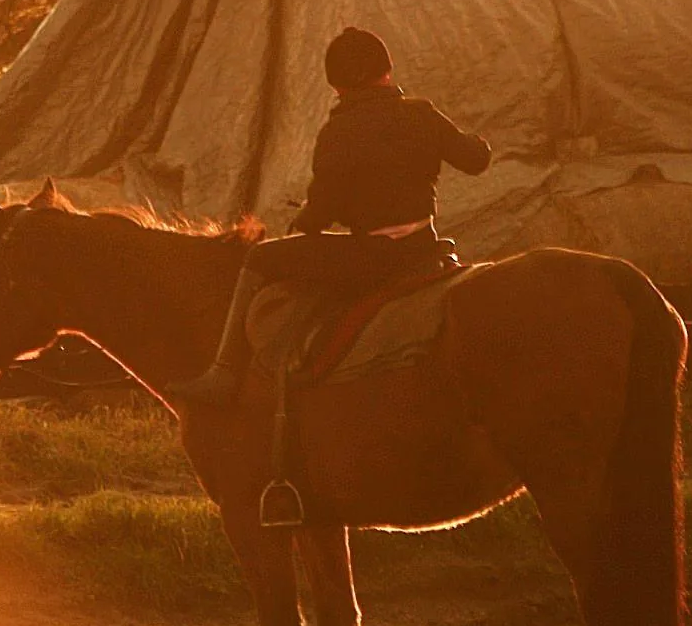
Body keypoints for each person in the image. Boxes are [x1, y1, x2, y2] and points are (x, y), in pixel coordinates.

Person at [167, 27, 492, 405]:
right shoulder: (422, 113)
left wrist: (303, 219)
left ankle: (223, 371)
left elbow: (321, 216)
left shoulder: (339, 131)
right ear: (386, 71)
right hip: (424, 247)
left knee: (260, 256)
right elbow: (476, 160)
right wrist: (473, 140)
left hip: (373, 259)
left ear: (338, 85)